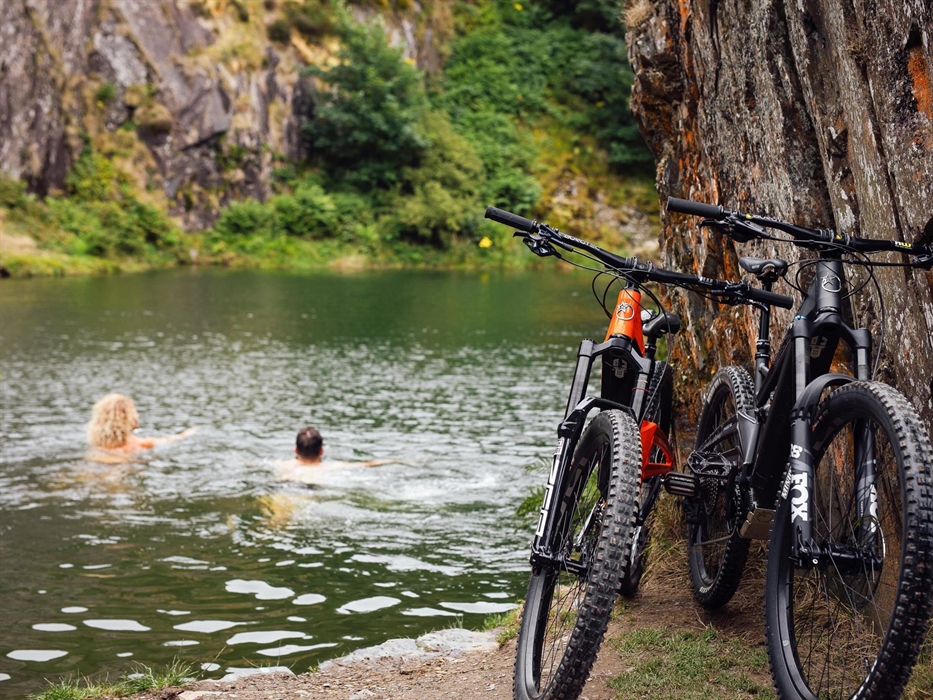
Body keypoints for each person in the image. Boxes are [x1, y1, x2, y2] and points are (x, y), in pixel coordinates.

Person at [276, 426, 395, 485]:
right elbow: (367, 464)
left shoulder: (283, 465)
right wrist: (394, 461)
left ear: (295, 450)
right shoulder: (332, 467)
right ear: (321, 451)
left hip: (286, 485)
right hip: (311, 488)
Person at [87, 393, 196, 455]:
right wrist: (188, 434)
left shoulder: (96, 443)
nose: (137, 415)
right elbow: (169, 440)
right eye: (134, 411)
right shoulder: (138, 444)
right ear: (127, 417)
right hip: (118, 470)